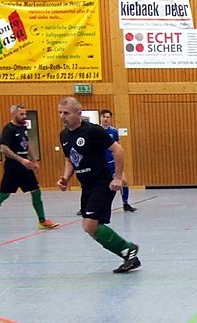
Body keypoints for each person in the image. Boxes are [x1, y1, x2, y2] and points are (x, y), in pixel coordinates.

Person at [57, 97, 141, 273]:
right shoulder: (64, 135)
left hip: (102, 183)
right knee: (90, 228)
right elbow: (70, 160)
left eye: (66, 113)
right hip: (86, 186)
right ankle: (128, 254)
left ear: (78, 113)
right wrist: (65, 178)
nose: (62, 116)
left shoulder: (92, 131)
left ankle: (128, 249)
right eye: (60, 113)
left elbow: (118, 150)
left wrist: (117, 177)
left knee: (90, 225)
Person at [0, 104, 59, 233]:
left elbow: (26, 144)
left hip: (25, 166)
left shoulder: (23, 127)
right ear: (14, 114)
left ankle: (42, 221)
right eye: (21, 114)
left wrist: (34, 160)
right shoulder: (8, 129)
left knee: (36, 191)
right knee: (4, 193)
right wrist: (21, 160)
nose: (24, 116)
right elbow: (3, 149)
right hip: (13, 166)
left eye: (25, 114)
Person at [100, 109, 136, 212]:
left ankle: (125, 204)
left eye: (107, 117)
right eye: (103, 117)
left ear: (110, 119)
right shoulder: (96, 131)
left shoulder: (113, 131)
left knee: (124, 181)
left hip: (112, 163)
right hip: (100, 163)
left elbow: (118, 146)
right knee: (95, 185)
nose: (105, 119)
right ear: (100, 118)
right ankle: (85, 207)